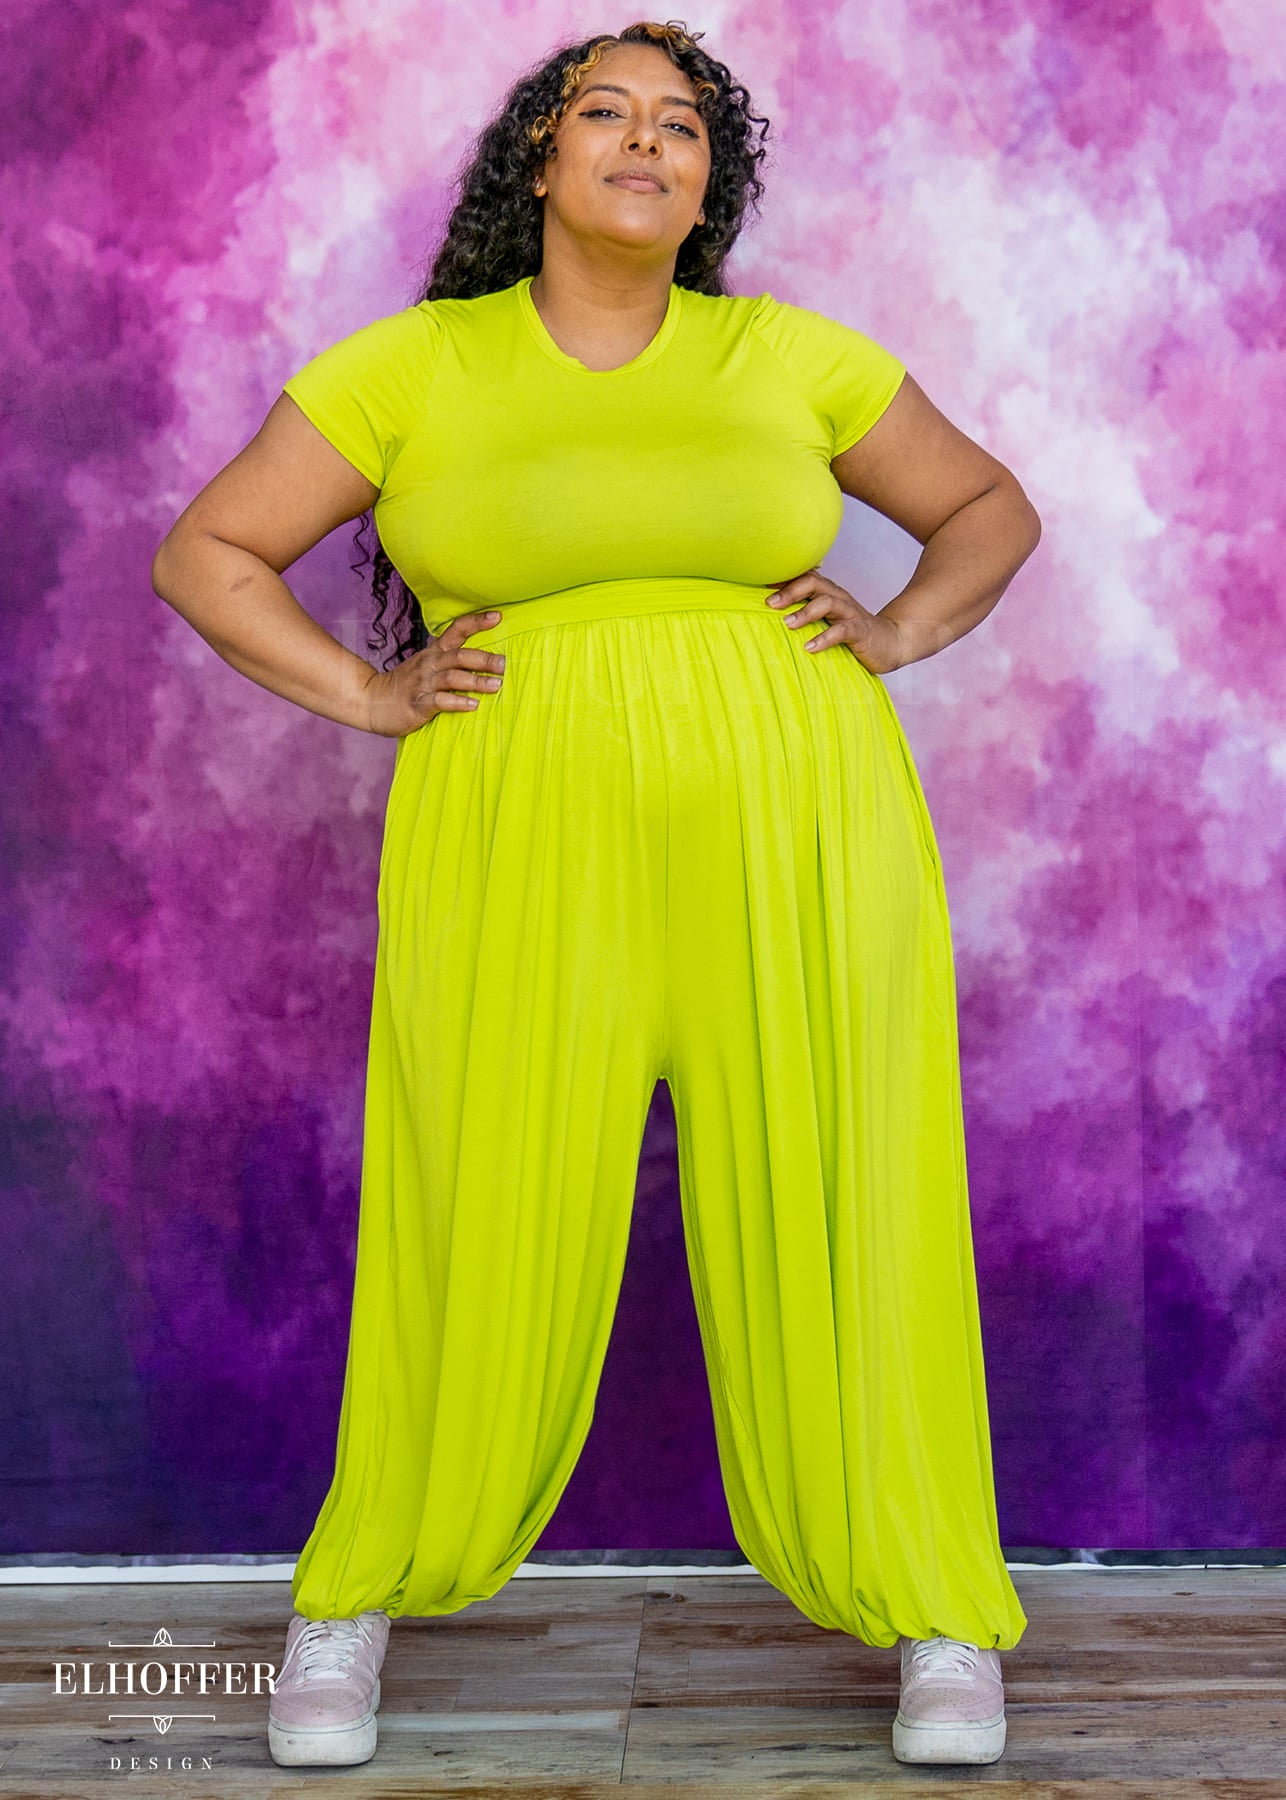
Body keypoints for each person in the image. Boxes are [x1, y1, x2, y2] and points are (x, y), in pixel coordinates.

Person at [152, 18, 1041, 1774]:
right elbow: (207, 552)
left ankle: (940, 1611)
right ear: (540, 162)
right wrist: (369, 696)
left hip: (800, 829)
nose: (646, 142)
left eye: (683, 126)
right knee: (465, 1189)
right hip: (514, 834)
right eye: (605, 114)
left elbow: (988, 509)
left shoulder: (787, 355)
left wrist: (897, 632)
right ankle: (355, 1599)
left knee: (853, 1186)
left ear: (710, 183)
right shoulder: (415, 367)